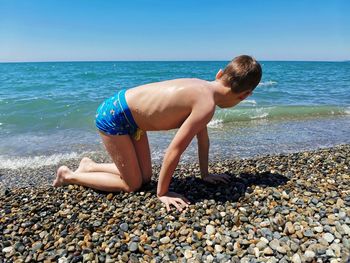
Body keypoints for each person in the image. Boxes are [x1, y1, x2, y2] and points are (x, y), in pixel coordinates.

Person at [52, 55, 262, 212]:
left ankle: (91, 166)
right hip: (114, 117)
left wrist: (205, 175)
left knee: (145, 177)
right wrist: (162, 192)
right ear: (245, 95)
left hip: (130, 118)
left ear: (219, 74)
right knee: (132, 184)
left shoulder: (204, 89)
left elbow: (202, 140)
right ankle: (70, 175)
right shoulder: (206, 105)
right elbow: (175, 149)